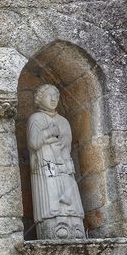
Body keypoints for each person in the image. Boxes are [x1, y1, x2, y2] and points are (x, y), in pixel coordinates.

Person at [27, 84, 85, 239]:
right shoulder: (36, 118)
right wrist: (49, 132)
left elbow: (67, 142)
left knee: (69, 196)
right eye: (49, 96)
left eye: (56, 96)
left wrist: (60, 142)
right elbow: (33, 142)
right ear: (40, 98)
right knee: (51, 194)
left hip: (64, 164)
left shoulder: (63, 121)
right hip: (46, 165)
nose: (53, 99)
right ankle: (55, 227)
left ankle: (75, 226)